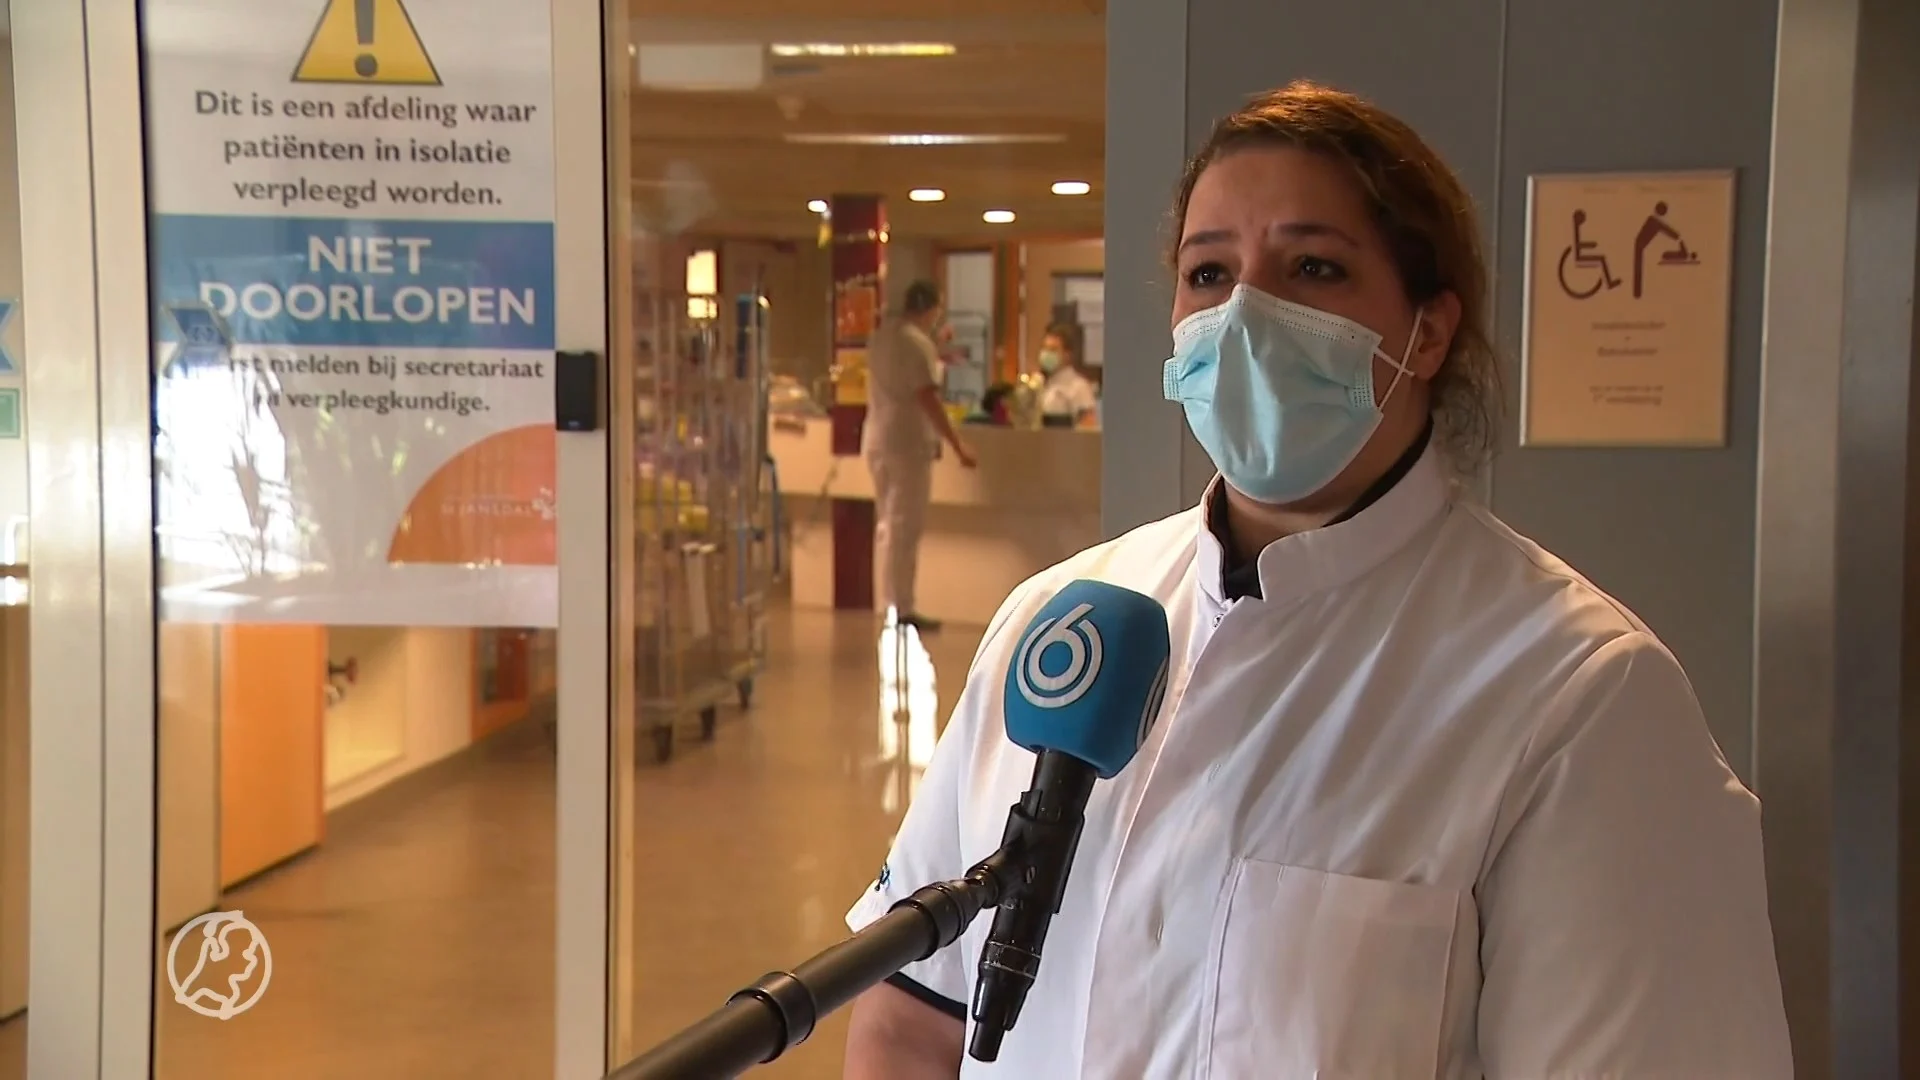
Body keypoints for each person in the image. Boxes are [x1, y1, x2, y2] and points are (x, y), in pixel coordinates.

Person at [843, 82, 1790, 1078]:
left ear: (1427, 332)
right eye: (1210, 272)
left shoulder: (1581, 699)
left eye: (1313, 267)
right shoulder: (1057, 625)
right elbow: (911, 1023)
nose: (1246, 315)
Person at [862, 279, 977, 634]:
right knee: (904, 527)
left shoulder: (881, 337)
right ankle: (901, 607)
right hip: (907, 445)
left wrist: (936, 350)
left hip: (879, 440)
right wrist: (957, 444)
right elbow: (926, 396)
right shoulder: (916, 343)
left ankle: (891, 603)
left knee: (888, 525)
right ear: (932, 308)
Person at [1034, 323, 1100, 427]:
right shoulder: (1040, 384)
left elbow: (1088, 427)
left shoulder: (1079, 387)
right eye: (1044, 348)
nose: (1046, 353)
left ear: (1067, 354)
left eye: (1053, 350)